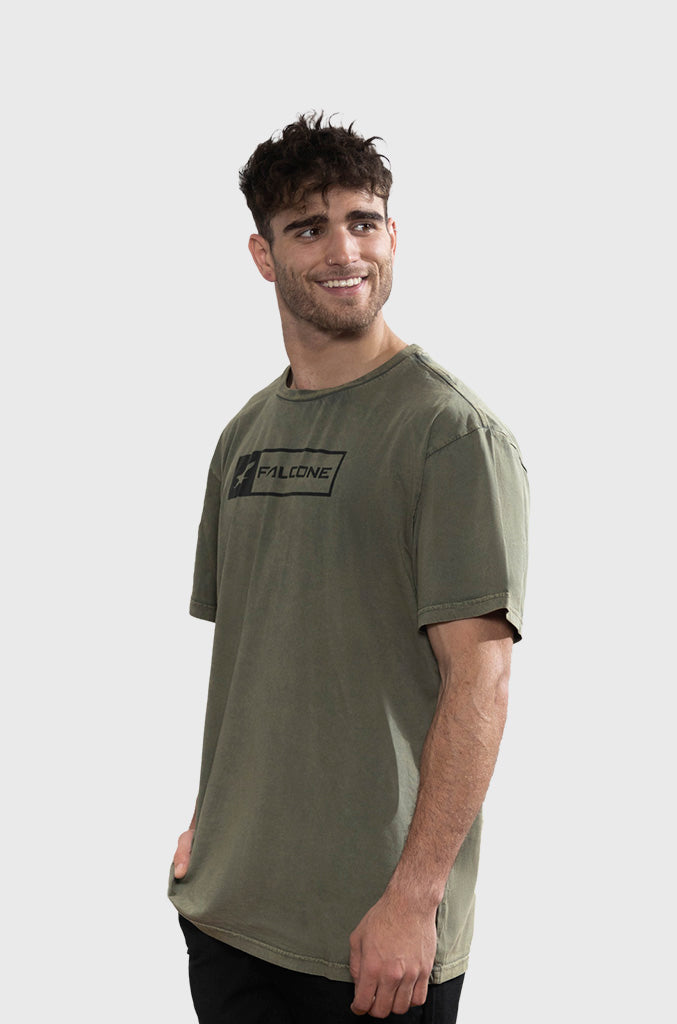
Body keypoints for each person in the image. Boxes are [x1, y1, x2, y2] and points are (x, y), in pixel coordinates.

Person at [169, 112, 529, 1024]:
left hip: (372, 942)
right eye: (308, 227)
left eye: (362, 221)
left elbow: (480, 680)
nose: (344, 250)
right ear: (263, 255)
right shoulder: (245, 436)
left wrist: (414, 900)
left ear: (392, 234)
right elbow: (258, 662)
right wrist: (212, 825)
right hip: (231, 911)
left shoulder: (448, 435)